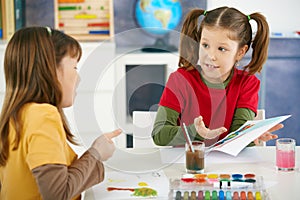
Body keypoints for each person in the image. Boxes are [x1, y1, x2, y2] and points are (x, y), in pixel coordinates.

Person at [0, 27, 121, 200]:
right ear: (51, 70)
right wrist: (96, 153)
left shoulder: (15, 116)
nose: (78, 78)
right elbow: (58, 194)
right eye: (74, 67)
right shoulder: (42, 116)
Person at [152, 7, 283, 147]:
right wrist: (195, 132)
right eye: (205, 45)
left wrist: (250, 136)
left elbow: (238, 134)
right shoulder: (180, 80)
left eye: (221, 49)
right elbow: (159, 134)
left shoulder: (247, 84)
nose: (210, 56)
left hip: (228, 166)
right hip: (186, 163)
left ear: (240, 52)